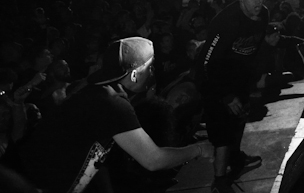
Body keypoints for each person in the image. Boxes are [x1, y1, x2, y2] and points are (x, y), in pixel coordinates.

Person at [12, 37, 213, 192]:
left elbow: (96, 159)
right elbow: (153, 159)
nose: (153, 73)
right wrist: (199, 149)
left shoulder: (98, 92)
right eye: (150, 67)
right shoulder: (113, 103)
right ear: (134, 74)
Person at [198, 0, 269, 193]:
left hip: (239, 76)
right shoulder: (226, 22)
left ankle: (236, 158)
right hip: (215, 78)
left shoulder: (263, 15)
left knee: (238, 120)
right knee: (222, 132)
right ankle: (220, 180)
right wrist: (225, 95)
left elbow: (256, 47)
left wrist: (256, 75)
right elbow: (207, 63)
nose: (258, 1)